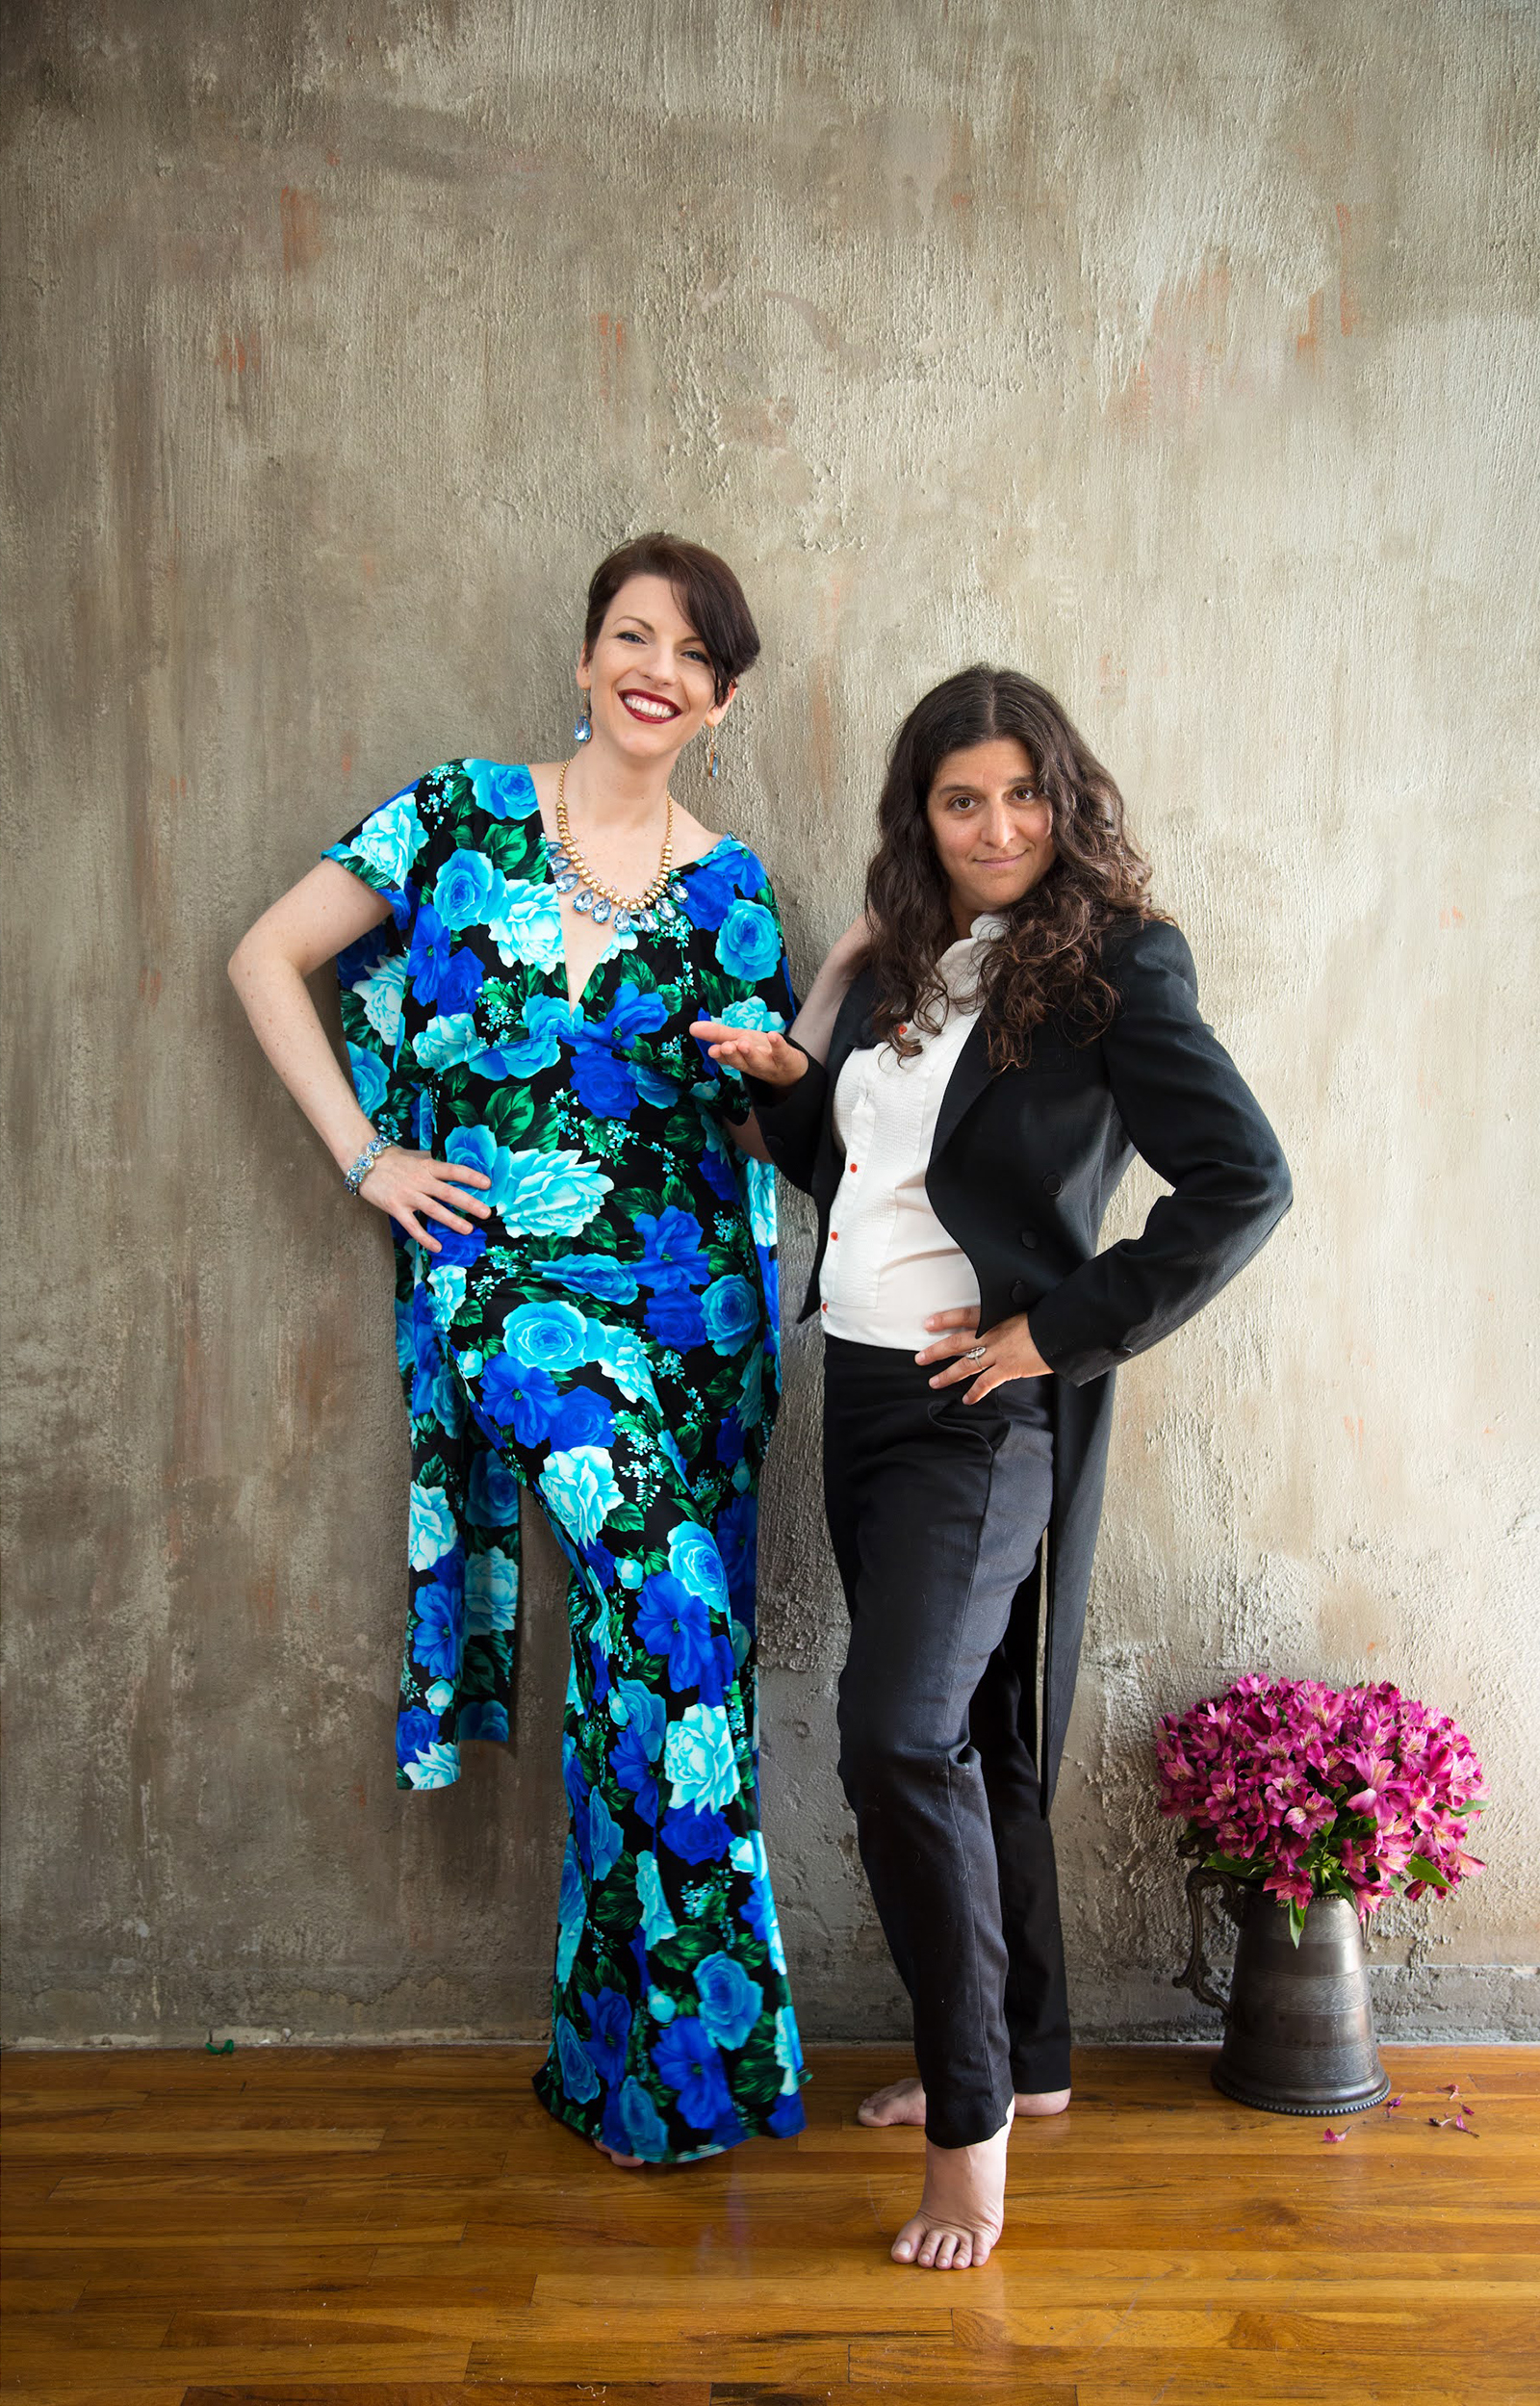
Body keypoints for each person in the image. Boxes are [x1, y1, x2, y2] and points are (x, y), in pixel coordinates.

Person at [692, 664, 1291, 2264]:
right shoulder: (908, 966)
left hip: (985, 1408)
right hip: (863, 1395)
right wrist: (793, 1095)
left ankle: (970, 2141)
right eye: (966, 798)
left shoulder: (1113, 971)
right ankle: (1027, 2062)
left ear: (1067, 799)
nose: (1001, 824)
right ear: (925, 815)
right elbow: (877, 1172)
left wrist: (1055, 1335)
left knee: (894, 1742)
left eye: (1026, 794)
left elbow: (1243, 1183)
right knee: (975, 1737)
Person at [230, 531, 808, 2164]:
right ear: (585, 661)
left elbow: (757, 1139)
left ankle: (615, 2073)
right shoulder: (456, 812)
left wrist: (781, 1069)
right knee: (677, 1639)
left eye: (691, 654)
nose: (656, 668)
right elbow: (264, 960)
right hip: (504, 1299)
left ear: (723, 695)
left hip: (685, 1316)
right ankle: (715, 2057)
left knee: (645, 1663)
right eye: (632, 636)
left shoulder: (735, 889)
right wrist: (366, 1158)